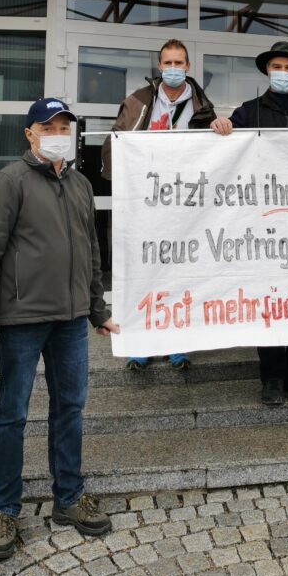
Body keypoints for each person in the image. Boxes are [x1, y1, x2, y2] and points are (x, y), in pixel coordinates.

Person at [0, 98, 119, 561]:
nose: (57, 132)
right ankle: (5, 510)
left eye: (64, 126)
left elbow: (91, 254)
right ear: (29, 134)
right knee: (11, 415)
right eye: (47, 126)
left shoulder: (80, 184)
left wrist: (97, 310)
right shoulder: (9, 182)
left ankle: (68, 499)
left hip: (70, 321)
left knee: (69, 409)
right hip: (20, 322)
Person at [211, 40, 288, 407]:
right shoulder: (248, 111)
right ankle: (271, 378)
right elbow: (226, 145)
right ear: (268, 71)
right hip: (262, 226)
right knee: (269, 300)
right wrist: (222, 126)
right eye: (277, 67)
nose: (283, 73)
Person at [101, 38, 217, 371]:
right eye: (168, 63)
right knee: (144, 271)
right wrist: (118, 175)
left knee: (181, 272)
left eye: (179, 63)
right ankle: (140, 342)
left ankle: (179, 344)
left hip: (184, 203)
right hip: (145, 201)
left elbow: (214, 147)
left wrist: (221, 128)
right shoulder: (138, 101)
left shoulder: (202, 106)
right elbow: (116, 140)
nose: (174, 69)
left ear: (188, 67)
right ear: (159, 66)